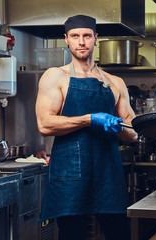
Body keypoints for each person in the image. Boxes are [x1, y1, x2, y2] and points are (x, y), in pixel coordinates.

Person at [35, 14, 137, 240]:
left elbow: (132, 134)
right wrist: (90, 119)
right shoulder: (56, 76)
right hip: (69, 173)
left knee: (120, 233)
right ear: (66, 39)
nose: (81, 41)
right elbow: (45, 123)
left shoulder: (114, 82)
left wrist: (118, 127)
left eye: (87, 36)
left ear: (96, 38)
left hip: (108, 172)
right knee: (72, 235)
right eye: (75, 36)